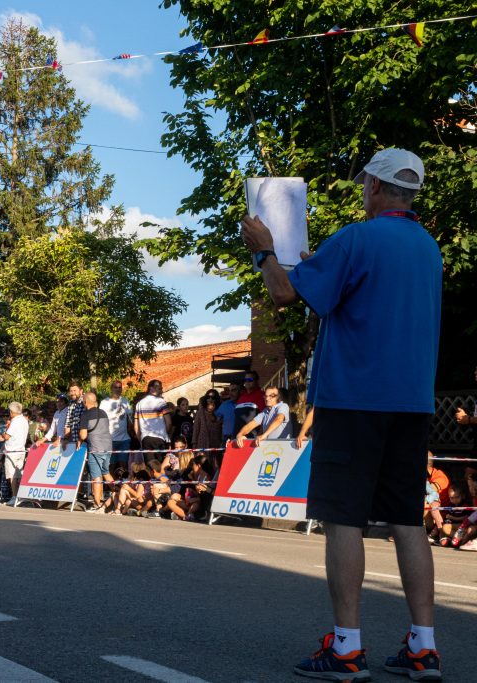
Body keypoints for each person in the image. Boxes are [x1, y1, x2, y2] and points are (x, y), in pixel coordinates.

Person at [242, 148, 442, 679]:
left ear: (376, 187)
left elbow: (284, 293)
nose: (360, 193)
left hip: (355, 398)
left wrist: (264, 252)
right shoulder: (428, 248)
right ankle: (424, 646)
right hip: (412, 400)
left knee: (344, 519)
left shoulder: (357, 238)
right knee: (407, 520)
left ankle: (347, 645)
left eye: (363, 185)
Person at [79, 391, 114, 513]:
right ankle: (117, 494)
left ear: (85, 402)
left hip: (95, 448)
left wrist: (80, 438)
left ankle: (97, 504)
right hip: (108, 446)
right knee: (106, 472)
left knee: (96, 476)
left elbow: (83, 436)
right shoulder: (103, 412)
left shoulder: (85, 415)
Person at [134, 379, 171, 469]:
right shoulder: (161, 402)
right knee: (161, 468)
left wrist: (141, 439)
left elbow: (136, 426)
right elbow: (169, 422)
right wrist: (165, 434)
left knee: (150, 468)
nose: (161, 390)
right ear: (151, 388)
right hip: (160, 439)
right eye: (159, 388)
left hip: (145, 439)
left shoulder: (139, 404)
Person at [0, 402, 29, 504]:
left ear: (12, 411)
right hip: (21, 449)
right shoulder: (24, 420)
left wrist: (2, 431)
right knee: (19, 475)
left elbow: (7, 436)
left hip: (12, 451)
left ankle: (15, 497)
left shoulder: (15, 421)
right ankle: (20, 495)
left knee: (12, 475)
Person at [100, 380, 133, 478]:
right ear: (111, 389)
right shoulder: (104, 402)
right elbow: (101, 421)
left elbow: (130, 419)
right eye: (116, 387)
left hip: (124, 439)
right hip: (110, 439)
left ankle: (123, 486)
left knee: (123, 465)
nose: (118, 389)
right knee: (111, 465)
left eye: (120, 387)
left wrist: (133, 433)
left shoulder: (125, 401)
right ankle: (111, 489)